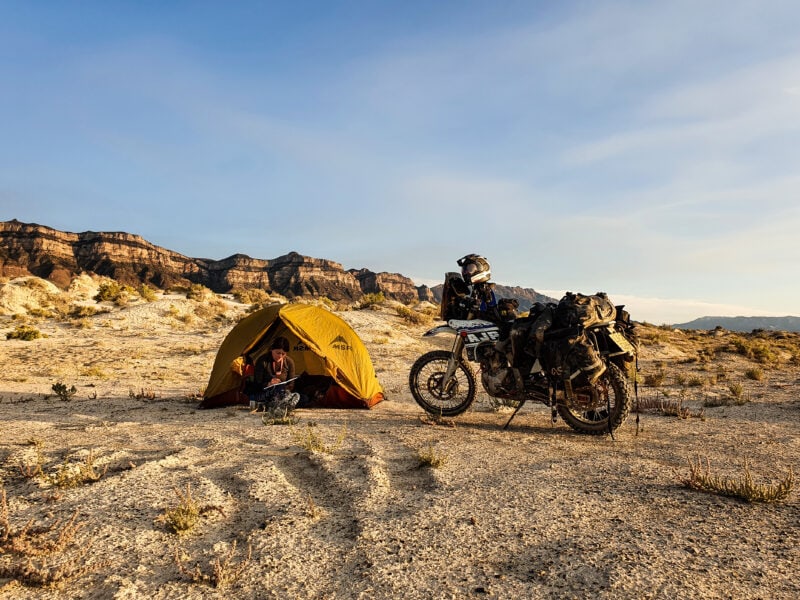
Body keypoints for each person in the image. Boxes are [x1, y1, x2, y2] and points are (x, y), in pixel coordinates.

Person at [254, 336, 300, 411]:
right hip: (265, 393)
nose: (280, 356)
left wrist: (282, 388)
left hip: (282, 393)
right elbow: (256, 383)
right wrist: (268, 384)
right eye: (278, 353)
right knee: (264, 396)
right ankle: (277, 404)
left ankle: (278, 404)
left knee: (298, 396)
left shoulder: (289, 362)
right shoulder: (263, 361)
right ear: (272, 349)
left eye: (283, 354)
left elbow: (291, 385)